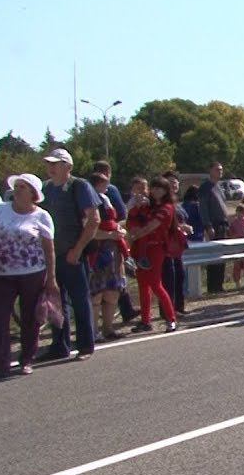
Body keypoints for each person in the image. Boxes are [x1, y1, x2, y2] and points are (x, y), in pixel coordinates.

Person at [0, 174, 56, 376]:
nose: (17, 189)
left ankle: (26, 359)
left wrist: (51, 277)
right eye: (16, 186)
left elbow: (49, 249)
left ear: (33, 193)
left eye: (22, 187)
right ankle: (1, 361)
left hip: (32, 274)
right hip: (2, 274)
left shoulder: (42, 216)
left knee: (30, 318)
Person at [40, 147, 101, 362]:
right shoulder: (45, 189)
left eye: (55, 164)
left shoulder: (79, 186)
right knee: (55, 300)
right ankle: (60, 345)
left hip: (73, 254)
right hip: (52, 255)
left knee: (79, 300)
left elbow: (94, 220)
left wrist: (78, 249)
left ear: (68, 166)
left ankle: (85, 344)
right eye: (49, 164)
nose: (50, 168)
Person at [125, 176, 178, 333]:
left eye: (159, 188)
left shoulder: (167, 207)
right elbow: (132, 220)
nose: (155, 191)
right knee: (142, 285)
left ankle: (171, 318)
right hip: (142, 248)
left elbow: (152, 226)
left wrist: (135, 235)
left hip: (156, 248)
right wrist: (136, 209)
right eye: (153, 188)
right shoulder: (148, 206)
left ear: (165, 190)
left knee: (155, 284)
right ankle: (145, 320)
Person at [87, 172, 127, 341]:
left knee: (112, 292)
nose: (107, 187)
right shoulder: (88, 203)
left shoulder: (106, 199)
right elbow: (89, 230)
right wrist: (110, 235)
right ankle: (94, 331)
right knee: (96, 295)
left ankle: (108, 328)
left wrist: (119, 231)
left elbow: (115, 221)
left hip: (113, 252)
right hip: (96, 252)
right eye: (104, 184)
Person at [199, 161, 231, 294]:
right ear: (210, 171)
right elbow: (204, 208)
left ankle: (219, 284)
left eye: (221, 169)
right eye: (217, 169)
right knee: (214, 256)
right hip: (213, 225)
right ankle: (213, 286)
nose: (220, 172)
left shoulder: (219, 186)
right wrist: (208, 225)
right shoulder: (206, 187)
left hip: (222, 224)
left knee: (221, 256)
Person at [162, 172, 191, 315]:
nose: (173, 184)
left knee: (180, 275)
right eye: (170, 182)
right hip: (166, 245)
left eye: (175, 182)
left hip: (177, 245)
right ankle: (168, 309)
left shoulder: (177, 202)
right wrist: (181, 227)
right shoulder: (162, 203)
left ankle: (179, 306)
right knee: (169, 278)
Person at [229, 205, 244, 289]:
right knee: (237, 264)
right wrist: (234, 236)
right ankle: (237, 282)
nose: (240, 214)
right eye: (239, 212)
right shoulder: (234, 222)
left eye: (242, 212)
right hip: (237, 245)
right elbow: (231, 233)